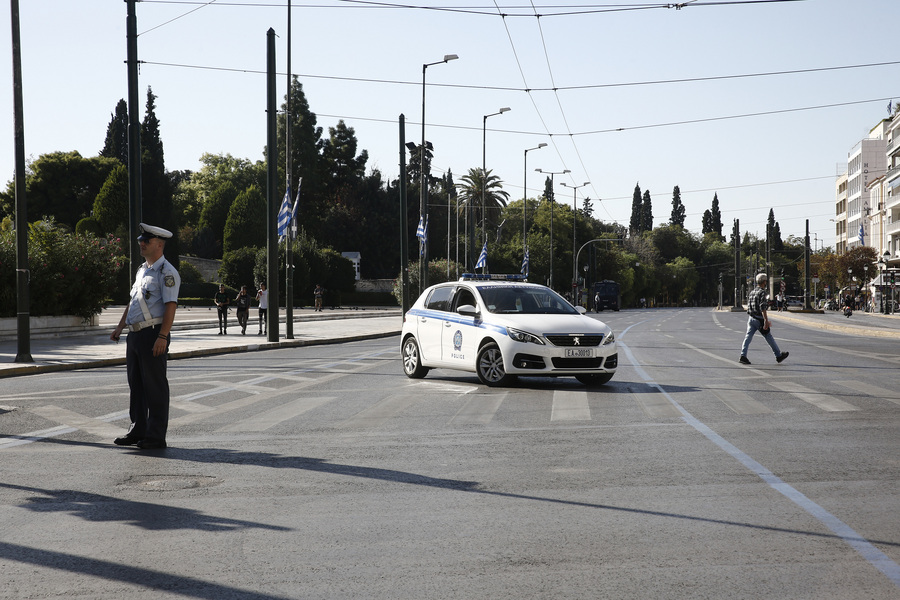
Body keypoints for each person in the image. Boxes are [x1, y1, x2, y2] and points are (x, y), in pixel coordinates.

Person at [110, 223, 181, 450]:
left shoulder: (167, 272)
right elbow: (133, 302)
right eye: (141, 240)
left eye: (146, 241)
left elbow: (171, 306)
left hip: (153, 334)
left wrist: (163, 336)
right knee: (137, 385)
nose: (141, 244)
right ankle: (138, 429)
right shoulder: (142, 270)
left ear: (159, 244)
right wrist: (120, 327)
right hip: (135, 335)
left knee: (155, 386)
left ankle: (156, 435)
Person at [740, 272, 789, 366]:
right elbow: (763, 307)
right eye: (766, 281)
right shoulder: (762, 292)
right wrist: (765, 320)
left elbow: (749, 306)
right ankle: (778, 356)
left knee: (747, 337)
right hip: (759, 319)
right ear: (764, 282)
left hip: (751, 318)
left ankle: (743, 355)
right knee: (768, 337)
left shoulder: (752, 292)